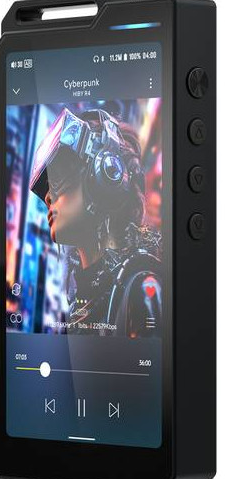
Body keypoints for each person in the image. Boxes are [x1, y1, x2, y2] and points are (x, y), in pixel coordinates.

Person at [29, 107, 162, 337]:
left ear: (106, 175)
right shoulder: (81, 305)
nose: (48, 196)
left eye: (60, 176)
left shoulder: (142, 288)